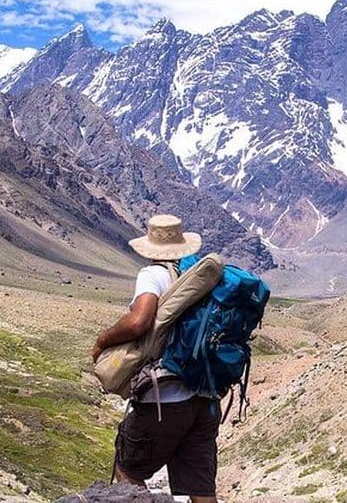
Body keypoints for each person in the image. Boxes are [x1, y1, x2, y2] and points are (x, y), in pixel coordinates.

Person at [90, 214, 220, 502]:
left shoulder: (153, 275)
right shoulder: (203, 277)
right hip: (206, 397)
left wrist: (103, 340)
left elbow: (139, 321)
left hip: (165, 398)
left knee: (128, 472)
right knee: (201, 490)